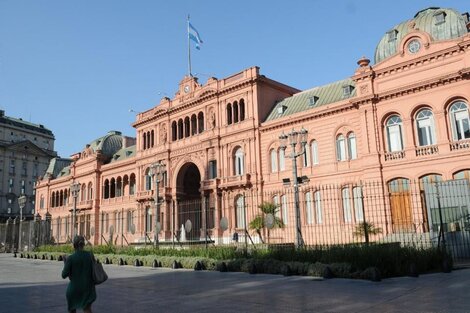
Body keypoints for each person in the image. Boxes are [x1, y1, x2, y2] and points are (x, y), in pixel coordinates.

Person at [62, 235, 96, 313]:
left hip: (74, 290)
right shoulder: (90, 255)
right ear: (83, 244)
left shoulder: (71, 258)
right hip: (88, 289)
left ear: (74, 245)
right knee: (87, 309)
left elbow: (64, 275)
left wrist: (65, 262)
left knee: (72, 308)